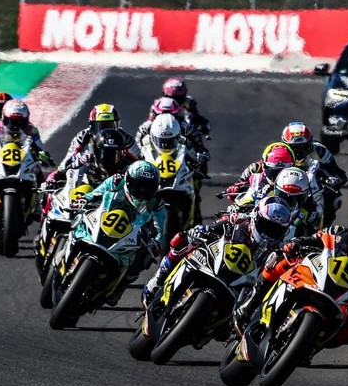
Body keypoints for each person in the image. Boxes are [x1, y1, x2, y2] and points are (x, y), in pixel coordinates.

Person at [232, 206, 348, 342]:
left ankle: (310, 344)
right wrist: (296, 243)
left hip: (346, 294)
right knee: (281, 258)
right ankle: (250, 305)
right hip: (316, 274)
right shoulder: (339, 233)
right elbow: (313, 239)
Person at [142, 196, 293, 306]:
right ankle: (158, 279)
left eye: (275, 230)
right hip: (215, 259)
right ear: (255, 218)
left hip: (240, 283)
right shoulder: (239, 219)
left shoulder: (276, 250)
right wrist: (203, 231)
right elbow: (216, 226)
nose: (268, 233)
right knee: (181, 240)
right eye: (265, 225)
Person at [79, 160, 165, 305]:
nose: (142, 192)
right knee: (77, 220)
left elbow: (161, 228)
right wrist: (86, 199)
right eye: (139, 186)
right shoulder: (117, 180)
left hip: (132, 229)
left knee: (145, 256)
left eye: (148, 189)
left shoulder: (156, 202)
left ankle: (120, 286)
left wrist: (156, 242)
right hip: (105, 215)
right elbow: (97, 192)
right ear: (129, 181)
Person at [281, 121, 348, 226]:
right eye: (294, 149)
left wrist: (335, 179)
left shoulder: (320, 151)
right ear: (285, 146)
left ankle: (324, 228)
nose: (299, 154)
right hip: (285, 187)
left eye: (303, 147)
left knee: (335, 200)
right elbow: (267, 168)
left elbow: (337, 171)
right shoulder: (279, 153)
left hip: (314, 187)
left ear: (310, 143)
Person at [58, 104, 140, 173]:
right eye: (100, 126)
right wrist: (60, 173)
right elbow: (66, 161)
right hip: (90, 170)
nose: (105, 132)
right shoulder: (82, 136)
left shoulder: (126, 138)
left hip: (118, 172)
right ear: (91, 126)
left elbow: (140, 161)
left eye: (110, 126)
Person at [0, 99, 52, 168]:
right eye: (11, 121)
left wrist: (44, 155)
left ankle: (43, 185)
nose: (15, 126)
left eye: (20, 122)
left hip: (24, 162)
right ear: (3, 117)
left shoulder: (32, 130)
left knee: (38, 170)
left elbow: (41, 147)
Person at [224, 142, 296, 202]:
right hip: (256, 203)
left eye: (282, 172)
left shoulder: (298, 175)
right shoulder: (255, 168)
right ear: (264, 165)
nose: (277, 176)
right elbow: (239, 183)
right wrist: (234, 189)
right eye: (274, 172)